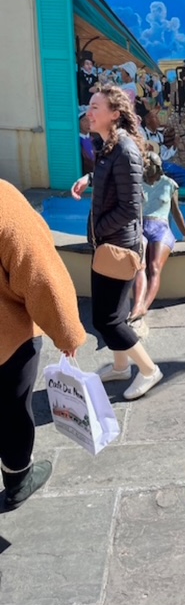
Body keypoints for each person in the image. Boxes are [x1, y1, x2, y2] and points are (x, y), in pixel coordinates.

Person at [71, 84, 162, 401]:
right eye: (90, 106)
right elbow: (111, 179)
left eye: (95, 107)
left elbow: (130, 208)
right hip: (106, 244)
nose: (89, 112)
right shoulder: (108, 145)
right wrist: (89, 179)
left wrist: (99, 229)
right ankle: (122, 366)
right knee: (113, 314)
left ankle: (149, 370)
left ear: (114, 114)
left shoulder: (124, 149)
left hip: (117, 247)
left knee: (106, 320)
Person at [0, 179, 86, 510]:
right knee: (11, 410)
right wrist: (67, 335)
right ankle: (19, 477)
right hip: (8, 340)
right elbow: (40, 274)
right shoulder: (5, 202)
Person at [129, 152, 185, 324]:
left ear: (157, 167)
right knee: (140, 266)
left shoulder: (170, 184)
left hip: (161, 228)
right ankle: (137, 306)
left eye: (148, 165)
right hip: (141, 228)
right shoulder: (137, 184)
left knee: (154, 267)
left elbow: (176, 211)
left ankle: (144, 305)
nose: (145, 168)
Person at [78, 109, 95, 175]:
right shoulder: (77, 141)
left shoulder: (96, 138)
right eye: (84, 120)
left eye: (89, 120)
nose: (88, 123)